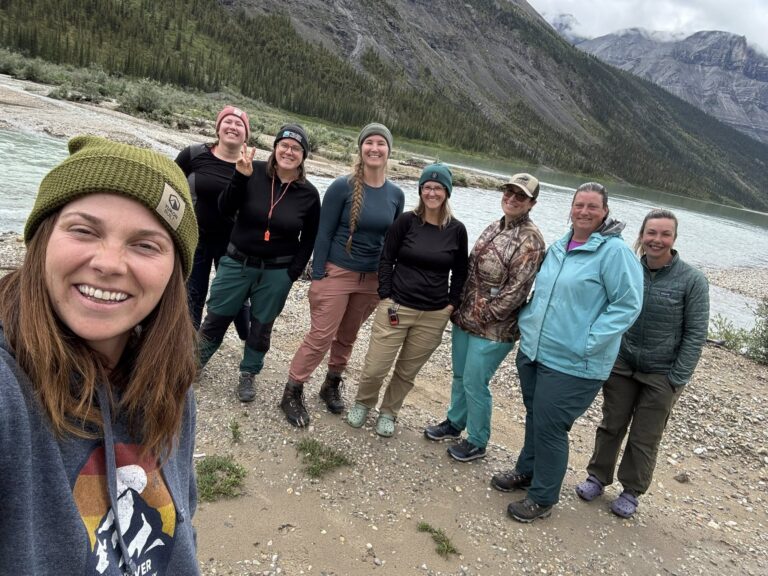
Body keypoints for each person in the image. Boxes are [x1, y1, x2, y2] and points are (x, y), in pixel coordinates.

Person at [0, 136, 200, 574]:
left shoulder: (169, 382)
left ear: (174, 271)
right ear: (42, 238)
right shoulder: (8, 390)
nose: (109, 263)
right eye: (84, 230)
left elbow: (183, 523)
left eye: (145, 244)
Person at [494, 181, 643, 523]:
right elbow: (544, 294)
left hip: (575, 362)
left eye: (592, 206)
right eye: (579, 205)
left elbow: (628, 305)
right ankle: (527, 471)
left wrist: (588, 341)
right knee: (536, 415)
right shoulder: (561, 245)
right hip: (536, 351)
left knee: (551, 426)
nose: (584, 211)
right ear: (571, 208)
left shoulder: (614, 253)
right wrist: (528, 321)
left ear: (605, 211)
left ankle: (542, 497)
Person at [575, 208, 709, 518]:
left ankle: (631, 490)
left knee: (645, 436)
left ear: (674, 238)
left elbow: (695, 334)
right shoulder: (629, 269)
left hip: (663, 373)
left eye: (665, 234)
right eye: (651, 233)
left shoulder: (692, 280)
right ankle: (597, 476)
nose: (657, 240)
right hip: (622, 364)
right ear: (642, 235)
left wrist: (677, 378)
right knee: (611, 424)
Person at [282, 123, 405, 427]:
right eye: (369, 143)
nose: (374, 148)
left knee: (347, 336)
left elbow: (391, 242)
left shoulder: (396, 194)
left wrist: (388, 282)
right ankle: (292, 390)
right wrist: (318, 276)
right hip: (337, 272)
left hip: (371, 280)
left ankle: (331, 384)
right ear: (361, 148)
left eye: (381, 143)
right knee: (321, 336)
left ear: (389, 150)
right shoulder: (342, 187)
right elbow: (323, 233)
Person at [424, 173, 546, 461]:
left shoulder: (531, 240)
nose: (512, 199)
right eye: (509, 192)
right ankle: (455, 422)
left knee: (475, 382)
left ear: (531, 203)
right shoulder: (495, 226)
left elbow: (517, 291)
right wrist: (458, 305)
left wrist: (486, 315)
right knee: (460, 375)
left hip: (495, 329)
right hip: (465, 318)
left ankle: (477, 440)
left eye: (520, 196)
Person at [198, 124, 320, 402]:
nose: (289, 152)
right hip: (237, 261)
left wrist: (291, 274)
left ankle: (248, 373)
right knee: (217, 316)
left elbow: (309, 238)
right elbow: (225, 208)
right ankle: (194, 363)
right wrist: (239, 177)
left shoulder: (309, 194)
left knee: (261, 326)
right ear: (275, 148)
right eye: (284, 145)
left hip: (277, 271)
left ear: (303, 155)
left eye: (296, 148)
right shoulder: (252, 172)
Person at [346, 163, 468, 437]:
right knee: (376, 367)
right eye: (427, 187)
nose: (432, 193)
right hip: (396, 307)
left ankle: (389, 412)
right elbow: (386, 258)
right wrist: (386, 295)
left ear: (447, 192)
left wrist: (451, 305)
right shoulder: (406, 221)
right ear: (421, 190)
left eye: (438, 188)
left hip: (433, 315)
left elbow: (461, 271)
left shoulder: (457, 230)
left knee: (406, 372)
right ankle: (363, 403)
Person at [175, 105, 251, 336]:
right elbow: (170, 185)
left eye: (239, 124)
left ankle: (248, 338)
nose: (233, 127)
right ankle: (188, 345)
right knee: (193, 294)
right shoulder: (193, 155)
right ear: (218, 128)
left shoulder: (251, 167)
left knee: (237, 296)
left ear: (246, 135)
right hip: (194, 237)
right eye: (227, 121)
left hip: (232, 244)